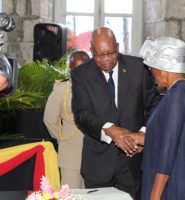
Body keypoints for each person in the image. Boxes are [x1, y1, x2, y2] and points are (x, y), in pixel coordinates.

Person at [70, 27, 159, 199]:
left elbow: (154, 105)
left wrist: (143, 134)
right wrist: (109, 129)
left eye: (112, 53)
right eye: (100, 55)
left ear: (118, 47)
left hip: (134, 162)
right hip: (98, 163)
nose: (107, 60)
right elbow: (82, 114)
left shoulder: (139, 67)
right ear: (91, 50)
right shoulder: (81, 74)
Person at [123, 37, 185, 200]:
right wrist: (144, 140)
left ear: (163, 69)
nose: (152, 75)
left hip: (173, 185)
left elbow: (167, 152)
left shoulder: (177, 95)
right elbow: (175, 137)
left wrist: (155, 195)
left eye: (152, 70)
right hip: (183, 179)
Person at [43, 51, 90, 188]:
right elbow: (49, 119)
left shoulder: (97, 87)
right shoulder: (61, 90)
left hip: (94, 155)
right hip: (70, 154)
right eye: (76, 68)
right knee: (71, 194)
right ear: (70, 69)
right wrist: (62, 138)